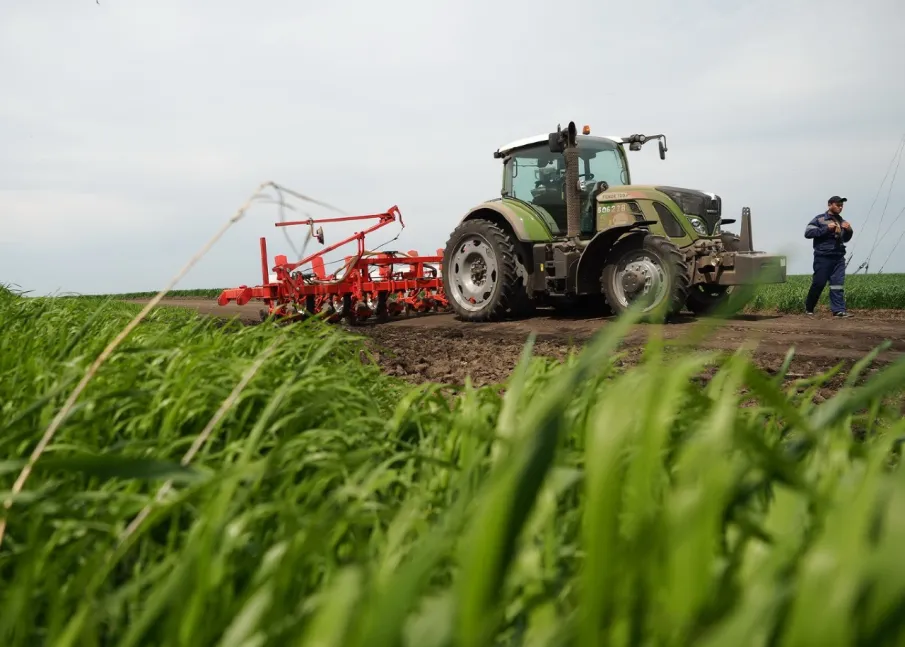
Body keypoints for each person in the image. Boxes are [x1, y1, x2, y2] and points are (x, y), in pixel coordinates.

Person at [804, 195, 853, 317]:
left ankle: (838, 310)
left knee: (837, 284)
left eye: (842, 205)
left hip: (838, 257)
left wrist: (849, 231)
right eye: (838, 205)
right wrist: (826, 228)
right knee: (819, 283)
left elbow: (845, 239)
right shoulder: (819, 219)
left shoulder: (842, 221)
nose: (840, 207)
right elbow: (808, 233)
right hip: (823, 257)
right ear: (830, 205)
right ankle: (809, 308)